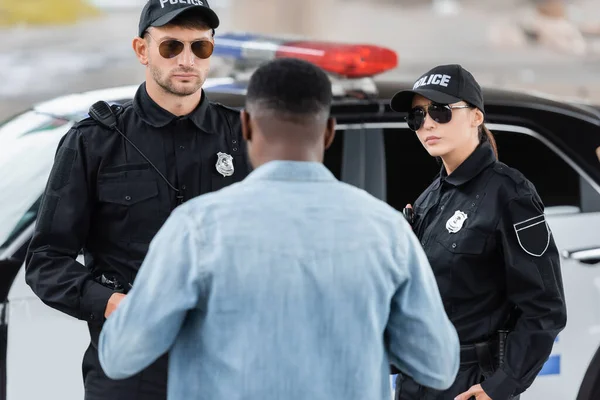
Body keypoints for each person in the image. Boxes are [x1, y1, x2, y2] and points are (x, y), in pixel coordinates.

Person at [97, 57, 461, 400]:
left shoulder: (197, 229)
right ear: (330, 131)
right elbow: (439, 366)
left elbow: (120, 355)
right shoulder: (388, 232)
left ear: (247, 126)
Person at [24, 1, 252, 399]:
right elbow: (47, 261)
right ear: (142, 50)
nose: (187, 59)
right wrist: (113, 303)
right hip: (130, 372)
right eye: (171, 47)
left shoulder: (245, 137)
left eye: (200, 47)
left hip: (226, 368)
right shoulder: (95, 141)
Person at [389, 64, 567, 400]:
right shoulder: (431, 196)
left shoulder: (510, 194)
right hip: (417, 379)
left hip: (468, 383)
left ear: (476, 117)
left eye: (440, 111)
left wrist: (501, 386)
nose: (426, 123)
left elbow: (545, 309)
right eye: (416, 116)